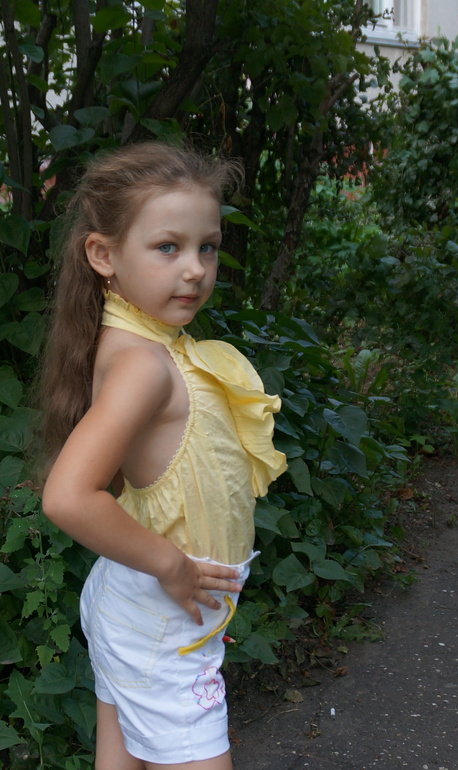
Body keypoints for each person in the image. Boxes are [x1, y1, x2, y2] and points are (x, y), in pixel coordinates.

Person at [40, 142, 287, 770]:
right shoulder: (144, 365)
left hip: (141, 608)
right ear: (104, 255)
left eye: (208, 246)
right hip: (160, 616)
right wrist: (171, 566)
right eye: (168, 247)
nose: (196, 270)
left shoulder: (148, 344)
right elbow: (68, 497)